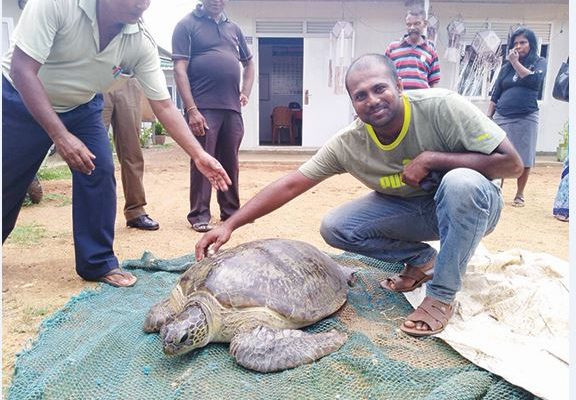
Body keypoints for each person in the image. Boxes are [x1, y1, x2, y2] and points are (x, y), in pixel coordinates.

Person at [195, 54, 523, 337]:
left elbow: (512, 164)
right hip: (417, 209)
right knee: (336, 226)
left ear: (399, 87)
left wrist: (433, 159)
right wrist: (230, 225)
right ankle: (424, 260)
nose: (373, 99)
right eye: (360, 95)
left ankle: (441, 294)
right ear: (353, 103)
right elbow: (291, 183)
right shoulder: (350, 143)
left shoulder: (442, 107)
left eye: (380, 88)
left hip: (473, 204)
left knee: (459, 183)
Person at [2, 0, 231, 288]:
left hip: (81, 106)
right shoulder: (56, 4)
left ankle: (97, 262)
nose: (143, 3)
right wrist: (60, 136)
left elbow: (163, 106)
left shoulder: (139, 41)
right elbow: (23, 70)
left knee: (98, 170)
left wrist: (198, 154)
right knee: (6, 180)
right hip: (19, 98)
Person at [172, 0, 255, 233]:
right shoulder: (186, 25)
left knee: (230, 162)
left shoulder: (234, 29)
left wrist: (245, 92)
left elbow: (249, 64)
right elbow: (180, 70)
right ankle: (199, 215)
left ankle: (231, 212)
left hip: (232, 109)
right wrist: (191, 109)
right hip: (203, 108)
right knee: (202, 160)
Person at [487, 27, 547, 207]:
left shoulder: (538, 62)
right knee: (498, 155)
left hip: (526, 116)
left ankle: (519, 194)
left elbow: (533, 81)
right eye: (516, 43)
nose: (519, 46)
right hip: (502, 116)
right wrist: (488, 117)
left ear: (531, 44)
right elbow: (495, 94)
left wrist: (515, 63)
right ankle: (497, 191)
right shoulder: (505, 68)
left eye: (523, 42)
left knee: (525, 156)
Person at [102, 78, 159, 231]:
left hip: (127, 79)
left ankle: (135, 211)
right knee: (94, 152)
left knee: (132, 151)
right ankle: (96, 214)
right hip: (97, 76)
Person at [384, 9, 440, 90]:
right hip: (400, 99)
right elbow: (385, 76)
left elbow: (434, 81)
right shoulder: (392, 47)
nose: (412, 27)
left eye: (416, 24)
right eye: (409, 24)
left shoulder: (431, 49)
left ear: (424, 24)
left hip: (422, 100)